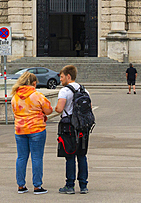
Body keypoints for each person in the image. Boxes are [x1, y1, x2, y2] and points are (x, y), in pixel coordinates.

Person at [11, 69, 52, 194]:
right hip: (36, 129)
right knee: (37, 157)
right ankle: (37, 186)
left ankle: (21, 185)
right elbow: (49, 110)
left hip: (20, 129)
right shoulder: (37, 96)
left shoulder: (15, 96)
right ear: (34, 83)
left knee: (21, 157)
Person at [54, 65, 88, 194]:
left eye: (62, 77)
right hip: (82, 127)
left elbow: (59, 109)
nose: (61, 80)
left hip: (68, 127)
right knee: (82, 155)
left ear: (68, 76)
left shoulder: (64, 91)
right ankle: (83, 185)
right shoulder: (84, 90)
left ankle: (70, 185)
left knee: (69, 155)